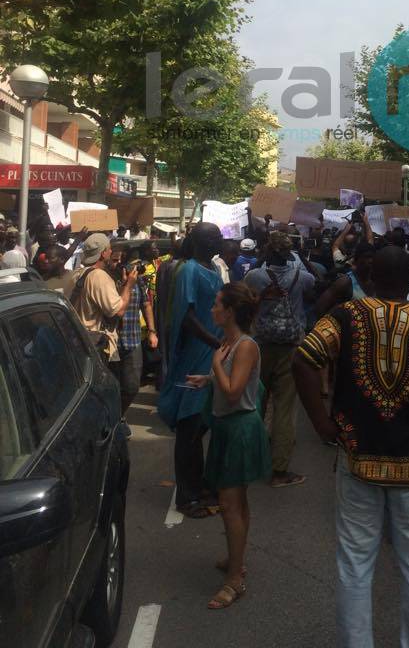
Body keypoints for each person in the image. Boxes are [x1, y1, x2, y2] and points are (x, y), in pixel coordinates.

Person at [292, 246, 409, 648]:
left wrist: (321, 422)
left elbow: (304, 359)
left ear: (371, 277)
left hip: (357, 456)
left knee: (355, 564)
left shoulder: (348, 316)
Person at [186, 282, 271, 609]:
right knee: (236, 501)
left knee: (230, 503)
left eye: (217, 304)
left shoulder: (245, 345)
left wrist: (216, 367)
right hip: (228, 427)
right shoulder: (230, 341)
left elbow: (235, 391)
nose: (212, 309)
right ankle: (236, 560)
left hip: (239, 429)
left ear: (231, 311)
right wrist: (207, 380)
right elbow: (236, 382)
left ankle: (235, 580)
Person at [158, 222, 225, 518]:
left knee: (200, 427)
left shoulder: (211, 268)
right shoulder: (189, 271)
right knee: (190, 429)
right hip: (194, 357)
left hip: (212, 356)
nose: (218, 241)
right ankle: (186, 497)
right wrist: (214, 342)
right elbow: (185, 315)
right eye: (212, 237)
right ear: (198, 241)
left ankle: (199, 486)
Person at [244, 231, 316, 487]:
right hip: (291, 348)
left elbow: (245, 300)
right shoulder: (302, 277)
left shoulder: (255, 276)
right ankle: (279, 471)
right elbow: (316, 284)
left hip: (261, 346)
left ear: (267, 251)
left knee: (255, 404)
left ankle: (250, 462)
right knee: (285, 408)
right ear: (289, 253)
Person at [66, 233, 138, 361]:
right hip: (93, 344)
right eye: (109, 249)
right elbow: (119, 311)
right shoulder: (99, 276)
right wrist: (129, 286)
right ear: (103, 253)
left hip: (77, 340)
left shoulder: (76, 274)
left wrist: (122, 287)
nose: (111, 251)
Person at [114, 254, 157, 433]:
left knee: (131, 386)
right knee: (114, 385)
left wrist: (152, 331)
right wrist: (125, 285)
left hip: (133, 340)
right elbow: (115, 310)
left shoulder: (139, 283)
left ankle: (119, 414)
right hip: (113, 344)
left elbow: (146, 305)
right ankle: (116, 421)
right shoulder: (111, 284)